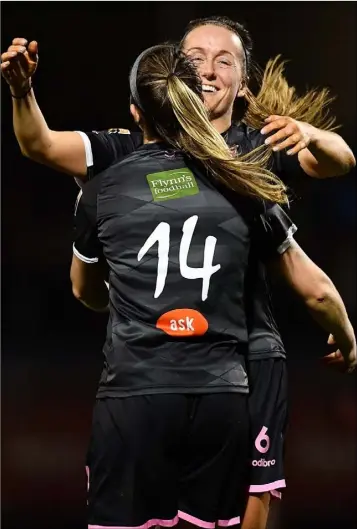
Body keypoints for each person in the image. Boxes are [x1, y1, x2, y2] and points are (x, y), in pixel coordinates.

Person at [1, 15, 355, 529]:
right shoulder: (128, 151)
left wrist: (309, 133)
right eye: (194, 60)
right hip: (178, 372)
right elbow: (41, 144)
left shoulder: (257, 148)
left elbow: (340, 160)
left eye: (224, 60)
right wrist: (23, 92)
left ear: (244, 84)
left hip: (248, 360)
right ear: (175, 80)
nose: (207, 71)